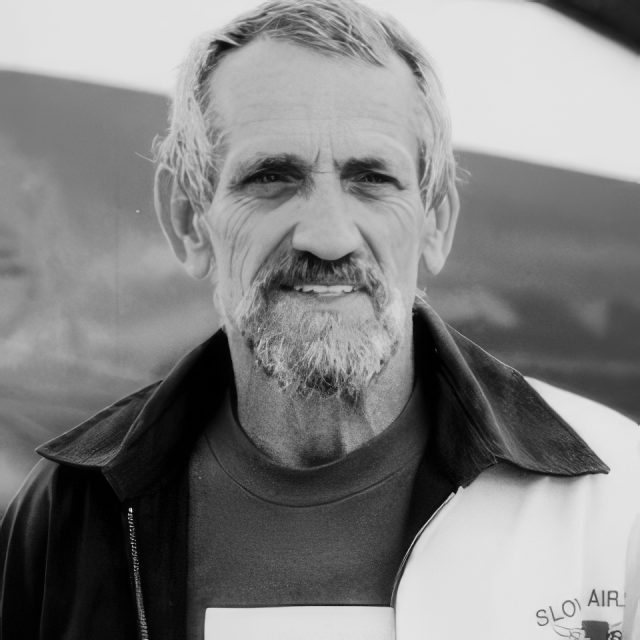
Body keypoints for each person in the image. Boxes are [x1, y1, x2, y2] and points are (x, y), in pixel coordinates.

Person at [1, 1, 639, 638]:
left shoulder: (615, 502)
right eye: (272, 177)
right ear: (189, 219)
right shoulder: (67, 516)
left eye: (372, 179)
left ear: (436, 221)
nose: (329, 238)